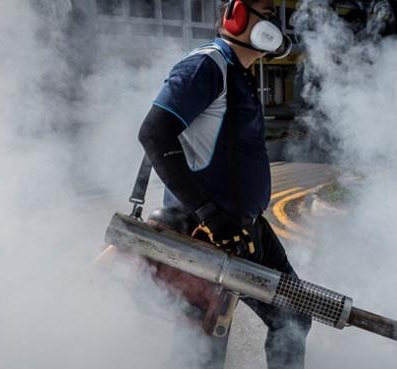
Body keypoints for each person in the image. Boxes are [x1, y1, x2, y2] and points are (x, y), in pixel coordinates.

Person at [137, 1, 311, 368]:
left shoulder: (240, 74)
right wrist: (207, 214)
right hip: (204, 231)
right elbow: (154, 134)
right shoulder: (206, 65)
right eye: (265, 10)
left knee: (293, 314)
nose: (274, 23)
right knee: (204, 347)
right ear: (236, 13)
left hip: (246, 229)